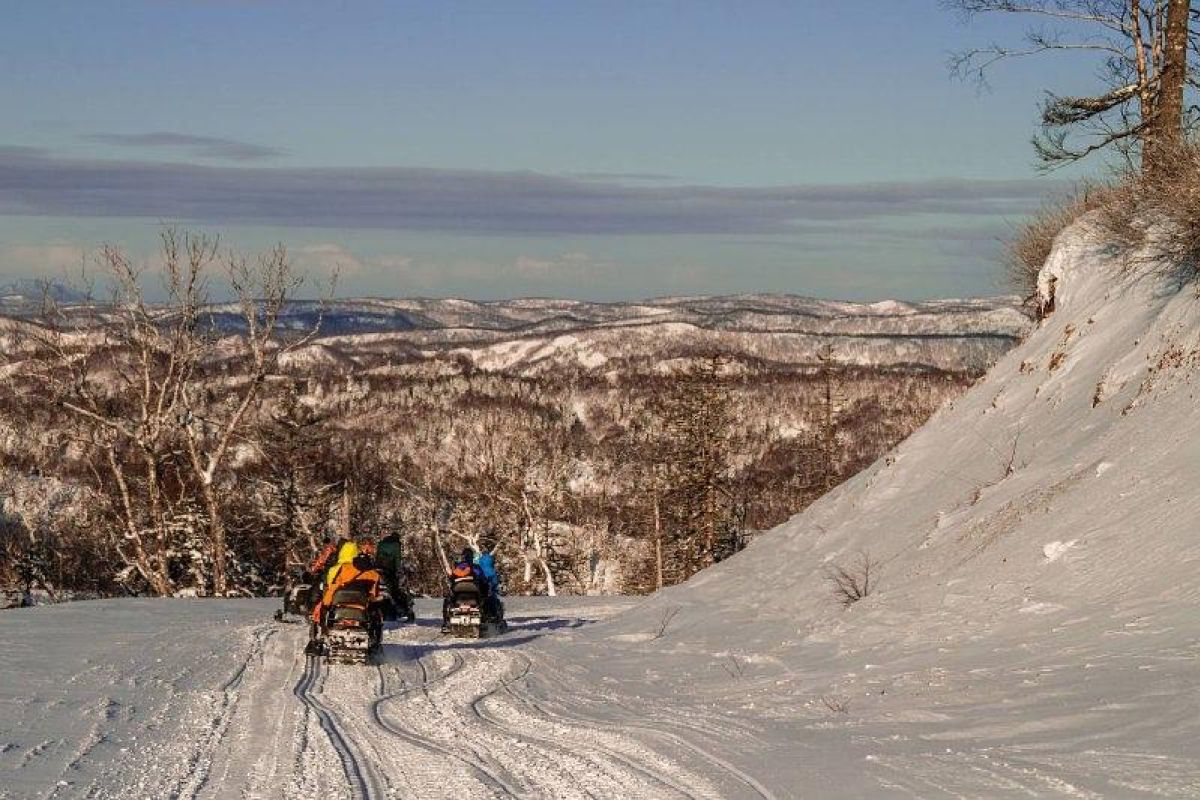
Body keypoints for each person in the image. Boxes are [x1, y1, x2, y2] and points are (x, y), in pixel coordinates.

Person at [442, 547, 485, 632]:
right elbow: (482, 579)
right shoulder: (476, 567)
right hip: (474, 591)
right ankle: (485, 619)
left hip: (458, 591)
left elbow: (452, 578)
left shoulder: (458, 567)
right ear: (472, 557)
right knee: (485, 597)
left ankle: (446, 622)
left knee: (448, 600)